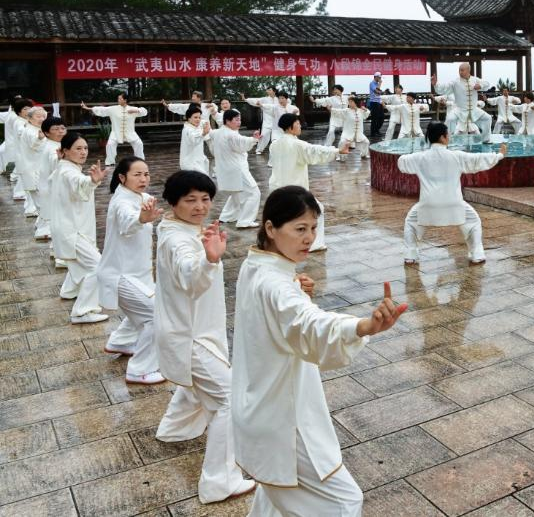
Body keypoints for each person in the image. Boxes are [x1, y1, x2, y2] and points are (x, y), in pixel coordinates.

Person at [232, 186, 406, 515]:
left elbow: (286, 314)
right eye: (300, 229)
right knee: (344, 502)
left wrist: (297, 288)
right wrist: (362, 326)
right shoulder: (276, 284)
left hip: (258, 406)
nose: (309, 238)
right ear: (270, 228)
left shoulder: (256, 265)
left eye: (313, 228)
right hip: (284, 420)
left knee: (275, 501)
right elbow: (309, 324)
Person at [155, 170, 255, 504]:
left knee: (198, 386)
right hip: (190, 336)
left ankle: (174, 429)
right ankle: (218, 482)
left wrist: (208, 254)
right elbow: (190, 276)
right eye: (191, 200)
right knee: (228, 398)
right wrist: (209, 259)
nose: (200, 206)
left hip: (192, 329)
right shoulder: (177, 240)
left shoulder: (178, 227)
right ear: (173, 203)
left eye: (205, 199)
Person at [96, 156, 165, 385]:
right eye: (137, 174)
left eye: (146, 174)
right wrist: (140, 219)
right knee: (157, 315)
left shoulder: (143, 198)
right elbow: (127, 222)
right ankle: (140, 370)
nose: (143, 178)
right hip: (121, 275)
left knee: (143, 309)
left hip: (140, 273)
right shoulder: (121, 202)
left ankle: (121, 341)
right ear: (122, 177)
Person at [399, 122, 505, 265]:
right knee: (474, 222)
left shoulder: (420, 158)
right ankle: (477, 254)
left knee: (410, 223)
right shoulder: (456, 156)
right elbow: (478, 159)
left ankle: (410, 255)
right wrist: (499, 155)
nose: (449, 137)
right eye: (447, 134)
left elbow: (401, 162)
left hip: (427, 204)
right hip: (454, 203)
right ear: (442, 137)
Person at [50, 133, 110, 324]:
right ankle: (82, 311)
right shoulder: (69, 172)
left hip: (67, 227)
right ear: (65, 151)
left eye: (85, 148)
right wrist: (92, 181)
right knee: (98, 266)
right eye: (78, 148)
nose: (83, 152)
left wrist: (90, 181)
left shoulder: (64, 167)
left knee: (81, 261)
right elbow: (78, 182)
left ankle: (69, 291)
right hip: (71, 231)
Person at [269, 113, 340, 252]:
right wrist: (337, 151)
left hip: (277, 188)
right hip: (295, 191)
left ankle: (282, 242)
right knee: (317, 210)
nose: (300, 126)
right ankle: (314, 244)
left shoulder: (274, 144)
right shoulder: (297, 144)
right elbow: (315, 151)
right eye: (297, 123)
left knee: (288, 217)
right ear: (290, 127)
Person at [209, 109, 261, 228]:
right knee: (253, 193)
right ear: (228, 121)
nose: (239, 122)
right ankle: (245, 221)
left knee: (236, 193)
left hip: (226, 169)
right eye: (236, 120)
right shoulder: (230, 134)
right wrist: (254, 139)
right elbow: (241, 143)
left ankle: (226, 216)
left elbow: (211, 133)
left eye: (239, 120)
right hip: (237, 169)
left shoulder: (218, 132)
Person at [82, 94, 147, 165]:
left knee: (139, 143)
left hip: (130, 133)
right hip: (116, 133)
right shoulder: (113, 109)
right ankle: (110, 162)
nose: (118, 100)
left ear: (125, 100)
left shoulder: (132, 109)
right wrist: (88, 108)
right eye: (118, 98)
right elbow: (102, 109)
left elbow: (144, 111)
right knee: (110, 144)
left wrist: (136, 110)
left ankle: (140, 161)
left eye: (120, 99)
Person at [432, 63, 493, 139]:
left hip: (474, 109)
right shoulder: (455, 82)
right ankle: (446, 139)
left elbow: (487, 84)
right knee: (450, 119)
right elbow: (444, 88)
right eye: (459, 70)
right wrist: (436, 84)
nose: (460, 72)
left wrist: (481, 85)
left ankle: (486, 139)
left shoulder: (475, 80)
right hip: (459, 109)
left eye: (462, 70)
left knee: (488, 118)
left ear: (468, 70)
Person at [33, 116, 66, 241]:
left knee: (47, 210)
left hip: (46, 183)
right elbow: (54, 160)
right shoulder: (53, 147)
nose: (61, 131)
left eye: (62, 128)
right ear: (47, 133)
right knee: (50, 212)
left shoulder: (54, 143)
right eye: (56, 129)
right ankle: (44, 232)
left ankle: (43, 227)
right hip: (49, 185)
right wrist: (59, 159)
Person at [16, 107, 48, 217]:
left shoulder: (35, 129)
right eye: (38, 116)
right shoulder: (31, 131)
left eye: (43, 116)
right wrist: (39, 139)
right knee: (40, 199)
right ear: (29, 118)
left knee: (38, 198)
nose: (42, 119)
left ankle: (39, 219)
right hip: (32, 168)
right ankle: (43, 223)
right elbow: (35, 145)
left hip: (34, 167)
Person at [243, 87, 277, 154]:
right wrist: (246, 99)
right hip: (267, 121)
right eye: (267, 90)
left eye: (269, 90)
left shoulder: (278, 99)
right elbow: (256, 100)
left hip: (276, 121)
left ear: (274, 91)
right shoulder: (264, 99)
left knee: (277, 137)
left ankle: (277, 150)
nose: (268, 91)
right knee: (264, 135)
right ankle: (259, 150)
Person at [179, 104, 211, 173]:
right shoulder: (188, 130)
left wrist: (207, 124)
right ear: (189, 118)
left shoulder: (195, 126)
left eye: (199, 117)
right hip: (190, 163)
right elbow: (194, 139)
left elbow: (204, 122)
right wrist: (203, 133)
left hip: (198, 160)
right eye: (195, 117)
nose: (198, 120)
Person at [368, 71, 386, 137]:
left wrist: (381, 101)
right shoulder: (372, 83)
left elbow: (379, 94)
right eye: (379, 77)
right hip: (374, 102)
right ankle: (373, 133)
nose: (380, 79)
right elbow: (377, 92)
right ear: (375, 77)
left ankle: (376, 130)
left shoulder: (377, 84)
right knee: (374, 118)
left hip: (379, 102)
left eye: (380, 77)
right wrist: (380, 83)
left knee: (381, 117)